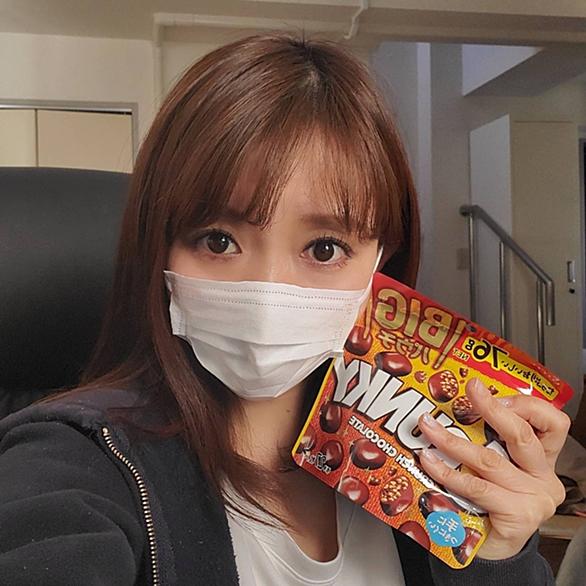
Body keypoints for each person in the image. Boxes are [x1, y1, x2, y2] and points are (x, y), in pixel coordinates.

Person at [0, 33, 570, 585]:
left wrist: (495, 555)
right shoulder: (74, 461)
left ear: (381, 266)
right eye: (218, 240)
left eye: (324, 249)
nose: (267, 290)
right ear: (159, 247)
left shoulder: (423, 458)